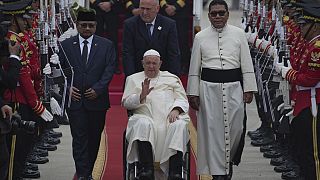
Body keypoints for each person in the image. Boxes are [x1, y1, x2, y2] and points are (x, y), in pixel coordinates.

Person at [186, 0, 257, 179]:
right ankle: (219, 173)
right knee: (213, 131)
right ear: (209, 15)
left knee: (236, 129)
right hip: (208, 90)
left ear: (227, 14)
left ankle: (229, 161)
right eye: (214, 13)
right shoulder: (200, 37)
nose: (217, 17)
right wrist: (193, 92)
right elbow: (194, 67)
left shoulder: (239, 34)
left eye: (221, 13)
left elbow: (246, 63)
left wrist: (249, 88)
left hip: (234, 88)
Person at [58, 8, 116, 179]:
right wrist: (67, 88)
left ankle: (88, 170)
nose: (87, 29)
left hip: (97, 101)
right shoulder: (66, 45)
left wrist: (98, 89)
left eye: (91, 25)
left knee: (94, 138)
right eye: (84, 25)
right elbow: (60, 69)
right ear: (77, 25)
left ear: (96, 26)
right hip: (75, 101)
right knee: (79, 139)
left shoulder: (106, 45)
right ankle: (84, 175)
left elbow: (109, 69)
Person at [122, 49, 189, 180]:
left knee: (179, 125)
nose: (151, 66)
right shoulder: (133, 79)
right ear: (142, 63)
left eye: (154, 63)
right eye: (148, 63)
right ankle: (146, 169)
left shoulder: (172, 78)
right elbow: (126, 103)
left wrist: (176, 109)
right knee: (142, 124)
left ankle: (175, 171)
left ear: (160, 63)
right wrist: (141, 96)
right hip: (144, 117)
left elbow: (182, 99)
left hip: (169, 118)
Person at [276, 4, 320, 180]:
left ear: (315, 25)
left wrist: (287, 73)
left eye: (303, 25)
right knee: (303, 151)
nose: (299, 28)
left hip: (313, 104)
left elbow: (309, 79)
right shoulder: (310, 45)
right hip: (303, 102)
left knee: (313, 154)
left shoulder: (317, 48)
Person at [122, 0, 181, 77]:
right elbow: (128, 53)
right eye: (142, 8)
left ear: (157, 8)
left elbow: (173, 54)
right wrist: (131, 78)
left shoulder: (169, 25)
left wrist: (173, 78)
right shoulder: (130, 24)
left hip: (162, 75)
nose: (144, 12)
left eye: (148, 9)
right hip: (138, 74)